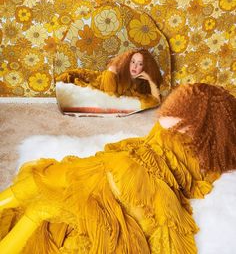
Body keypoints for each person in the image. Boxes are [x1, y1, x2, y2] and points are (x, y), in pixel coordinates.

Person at [0, 83, 235, 253]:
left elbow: (188, 177)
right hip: (117, 167)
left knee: (41, 208)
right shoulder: (172, 133)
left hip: (137, 187)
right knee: (40, 179)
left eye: (182, 112)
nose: (169, 116)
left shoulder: (204, 153)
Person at [56, 49, 163, 109]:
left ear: (145, 67)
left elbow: (156, 102)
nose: (135, 66)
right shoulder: (114, 72)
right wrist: (111, 73)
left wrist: (150, 80)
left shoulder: (140, 83)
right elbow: (108, 97)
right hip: (92, 80)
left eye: (140, 64)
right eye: (133, 61)